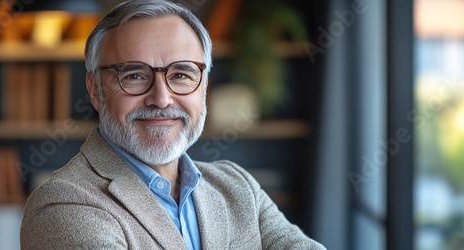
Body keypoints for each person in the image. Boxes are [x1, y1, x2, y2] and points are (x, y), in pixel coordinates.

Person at [20, 0, 326, 249]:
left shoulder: (237, 186)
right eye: (135, 76)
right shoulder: (62, 205)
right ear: (95, 90)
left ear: (203, 87)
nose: (162, 98)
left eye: (181, 74)